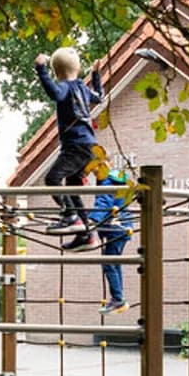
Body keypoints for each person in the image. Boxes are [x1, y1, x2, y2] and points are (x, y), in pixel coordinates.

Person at [34, 47, 104, 234]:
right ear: (78, 69)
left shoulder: (65, 87)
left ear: (56, 72)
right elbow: (100, 97)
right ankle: (86, 235)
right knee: (72, 188)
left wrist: (41, 69)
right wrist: (96, 75)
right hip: (90, 146)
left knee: (52, 179)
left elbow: (55, 94)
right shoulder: (83, 88)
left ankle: (71, 217)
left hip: (75, 146)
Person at [75, 167, 135, 313]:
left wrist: (92, 221)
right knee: (114, 263)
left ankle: (118, 299)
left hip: (115, 228)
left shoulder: (107, 181)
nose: (91, 171)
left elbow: (104, 202)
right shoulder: (118, 178)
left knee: (108, 263)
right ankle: (119, 298)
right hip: (123, 226)